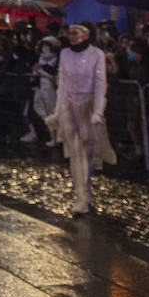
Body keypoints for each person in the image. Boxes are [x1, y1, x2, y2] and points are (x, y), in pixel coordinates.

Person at [47, 23, 115, 215]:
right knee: (75, 153)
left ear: (86, 34)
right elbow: (62, 83)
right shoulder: (65, 54)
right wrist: (58, 111)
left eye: (75, 33)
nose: (72, 36)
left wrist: (98, 111)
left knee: (88, 153)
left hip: (89, 106)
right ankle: (81, 197)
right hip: (69, 106)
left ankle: (87, 188)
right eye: (69, 33)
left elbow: (100, 84)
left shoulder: (97, 54)